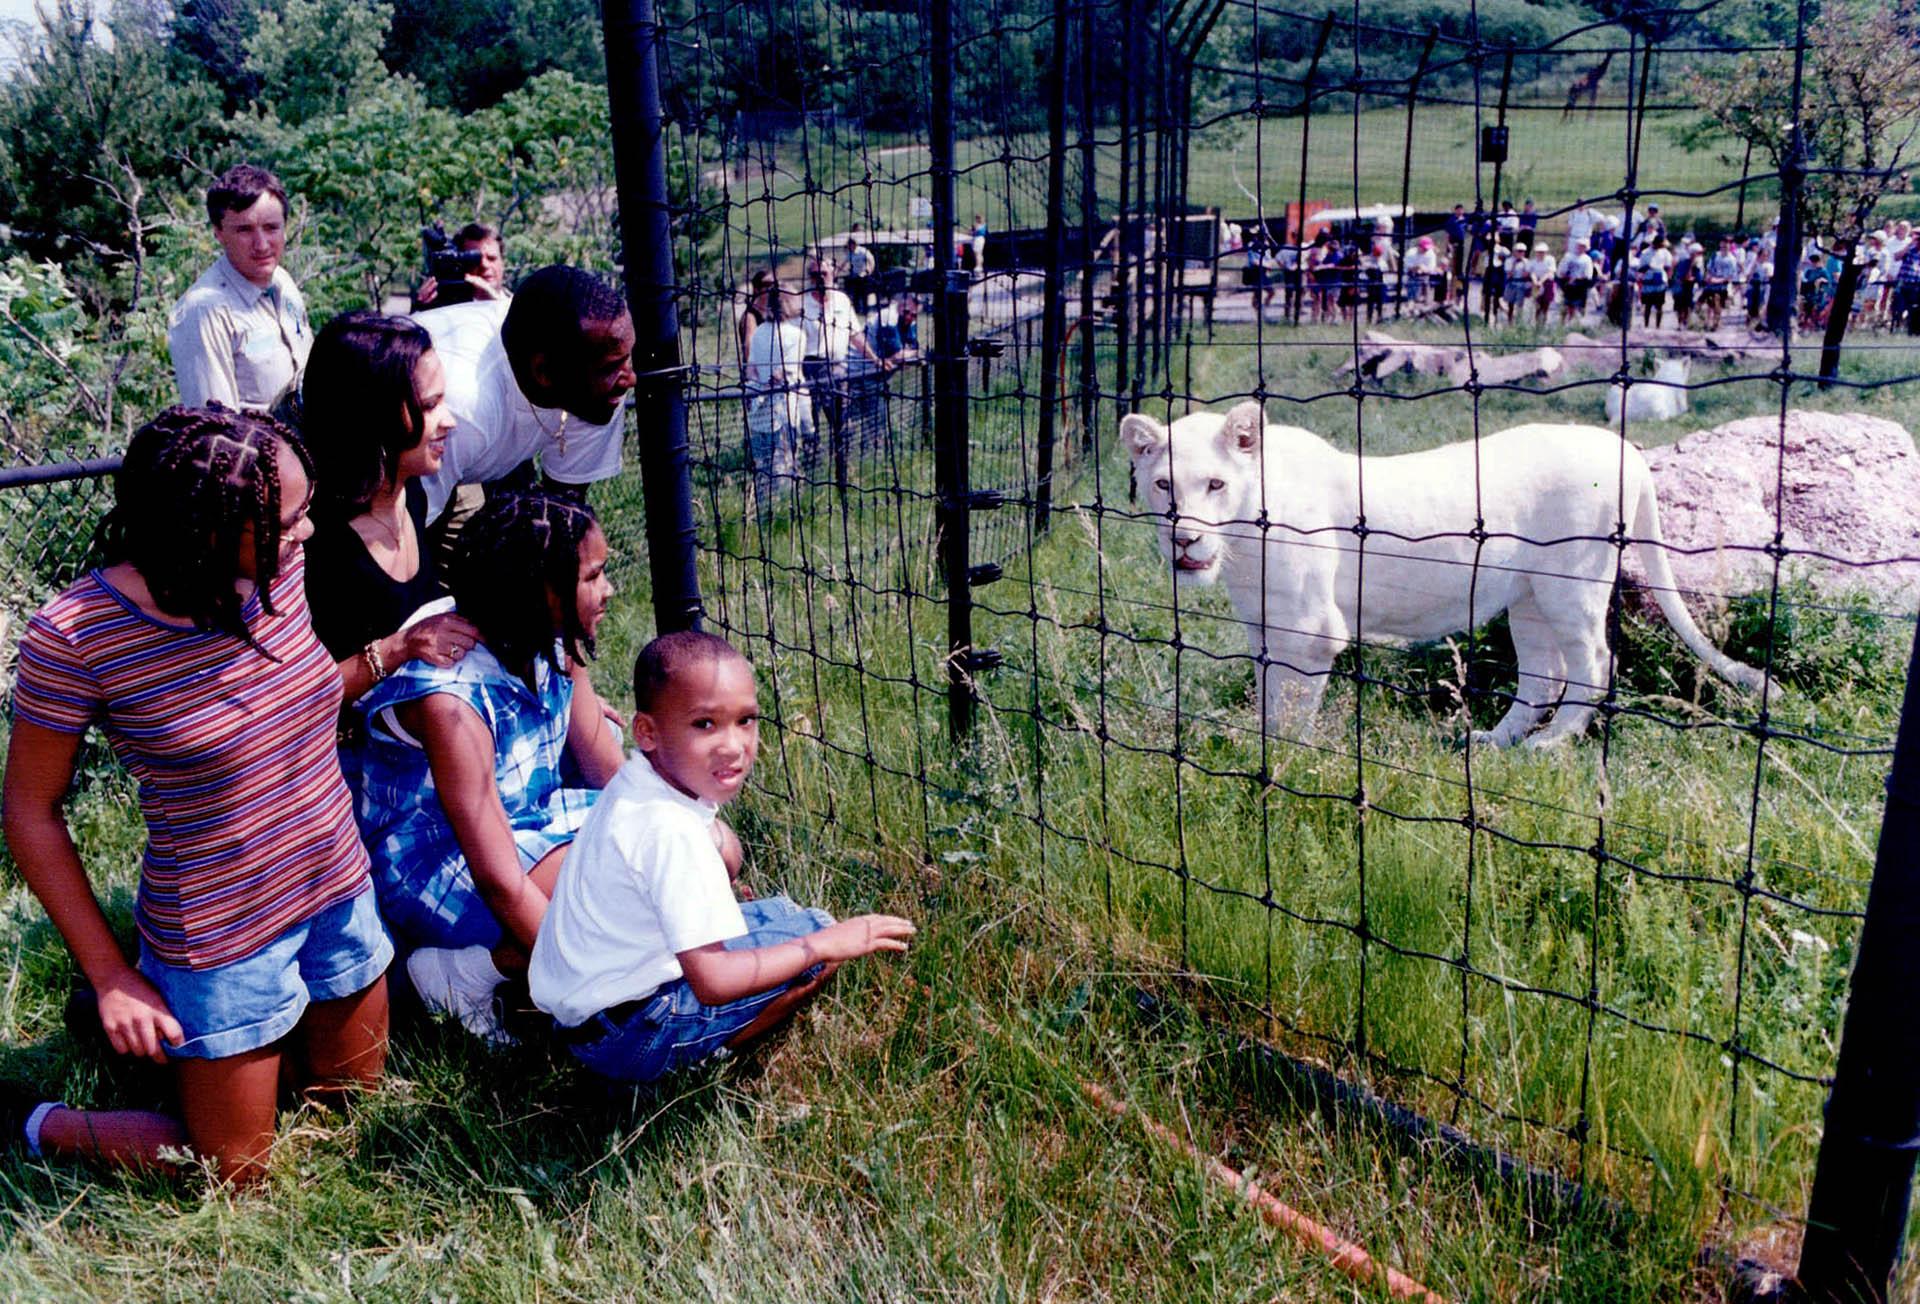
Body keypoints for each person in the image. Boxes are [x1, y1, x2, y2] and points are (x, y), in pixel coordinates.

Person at [2, 406, 389, 1185]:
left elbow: (288, 703)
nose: (307, 534)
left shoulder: (280, 571)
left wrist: (386, 656)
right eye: (289, 520)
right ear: (203, 529)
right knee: (233, 1171)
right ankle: (35, 1119)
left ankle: (186, 1041)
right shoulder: (76, 635)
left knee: (347, 1102)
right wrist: (112, 975)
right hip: (222, 933)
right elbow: (28, 813)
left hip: (336, 889)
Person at [528, 630, 916, 1085]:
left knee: (788, 914)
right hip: (629, 1035)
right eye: (705, 724)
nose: (733, 745)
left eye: (745, 720)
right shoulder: (668, 829)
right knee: (818, 945)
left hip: (591, 1011)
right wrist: (825, 944)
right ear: (647, 731)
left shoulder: (637, 784)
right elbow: (713, 982)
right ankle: (705, 1056)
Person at [353, 492, 626, 1041]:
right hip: (437, 862)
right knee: (618, 883)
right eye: (593, 576)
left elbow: (616, 780)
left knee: (707, 850)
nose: (609, 590)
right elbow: (499, 881)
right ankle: (466, 974)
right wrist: (586, 981)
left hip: (527, 824)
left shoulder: (551, 643)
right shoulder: (452, 700)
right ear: (541, 591)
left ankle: (502, 970)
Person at [298, 312, 481, 716]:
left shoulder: (410, 491)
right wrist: (402, 645)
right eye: (429, 406)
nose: (449, 421)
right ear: (373, 415)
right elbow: (300, 695)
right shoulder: (314, 539)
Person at [412, 265, 638, 529]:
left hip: (455, 470)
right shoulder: (460, 403)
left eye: (626, 360)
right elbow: (395, 535)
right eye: (610, 368)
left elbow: (562, 518)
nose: (630, 379)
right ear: (544, 372)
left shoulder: (599, 389)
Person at [168, 163, 310, 415]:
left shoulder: (283, 283)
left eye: (271, 227)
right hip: (258, 452)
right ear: (219, 233)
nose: (262, 244)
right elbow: (218, 430)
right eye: (244, 230)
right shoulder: (204, 311)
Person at [800, 257, 887, 457]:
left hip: (837, 367)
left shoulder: (842, 300)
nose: (819, 278)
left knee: (841, 418)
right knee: (810, 420)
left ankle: (843, 464)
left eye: (824, 273)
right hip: (809, 366)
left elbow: (855, 334)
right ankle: (813, 462)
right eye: (814, 275)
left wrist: (874, 359)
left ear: (833, 274)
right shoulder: (802, 303)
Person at [743, 286, 811, 506]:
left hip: (761, 408)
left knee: (764, 460)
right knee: (785, 456)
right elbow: (787, 371)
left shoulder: (760, 332)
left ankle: (764, 501)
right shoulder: (797, 335)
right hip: (786, 406)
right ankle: (784, 503)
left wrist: (759, 388)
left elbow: (751, 368)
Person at [414, 221, 511, 310]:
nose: (484, 265)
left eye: (491, 258)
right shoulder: (446, 307)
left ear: (503, 262)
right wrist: (420, 306)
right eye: (475, 259)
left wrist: (496, 301)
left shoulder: (521, 306)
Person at [736, 268, 775, 363]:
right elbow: (749, 351)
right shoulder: (750, 317)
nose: (772, 288)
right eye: (767, 285)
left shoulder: (772, 312)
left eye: (774, 284)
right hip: (757, 370)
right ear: (757, 289)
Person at [1638, 236, 1673, 328]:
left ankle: (1658, 326)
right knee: (1648, 305)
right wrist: (1648, 267)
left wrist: (1668, 279)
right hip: (1649, 280)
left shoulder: (1665, 253)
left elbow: (1668, 267)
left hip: (1660, 280)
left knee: (1659, 305)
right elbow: (1640, 268)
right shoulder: (1645, 253)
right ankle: (1646, 325)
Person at [1558, 239, 1597, 322]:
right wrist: (1567, 279)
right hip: (1567, 284)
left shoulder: (1587, 259)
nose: (1581, 247)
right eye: (1579, 245)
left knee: (1575, 307)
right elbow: (1561, 271)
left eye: (1583, 246)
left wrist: (1576, 279)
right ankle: (1561, 324)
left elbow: (1588, 275)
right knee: (1565, 306)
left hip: (1579, 286)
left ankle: (1571, 323)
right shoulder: (1568, 256)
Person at [844, 233, 875, 315]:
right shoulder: (850, 254)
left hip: (864, 276)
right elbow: (843, 263)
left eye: (851, 245)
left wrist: (869, 270)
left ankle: (866, 311)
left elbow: (871, 260)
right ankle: (857, 311)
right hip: (855, 276)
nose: (850, 247)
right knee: (856, 295)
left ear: (854, 244)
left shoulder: (862, 251)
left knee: (864, 294)